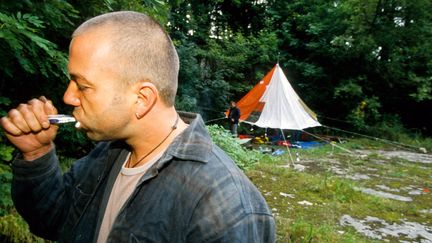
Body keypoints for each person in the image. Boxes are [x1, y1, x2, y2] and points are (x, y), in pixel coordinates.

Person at [0, 11, 275, 242]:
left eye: (82, 86)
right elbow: (53, 219)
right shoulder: (108, 153)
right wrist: (36, 153)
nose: (68, 97)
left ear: (142, 99)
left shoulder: (223, 206)